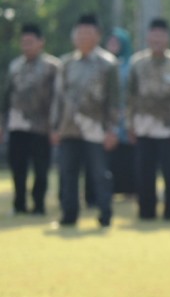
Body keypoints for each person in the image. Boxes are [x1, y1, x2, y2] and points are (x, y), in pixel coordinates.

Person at [50, 13, 120, 228]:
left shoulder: (108, 64)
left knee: (100, 174)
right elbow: (58, 97)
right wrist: (55, 127)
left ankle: (105, 213)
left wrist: (112, 129)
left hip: (96, 129)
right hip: (69, 128)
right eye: (79, 33)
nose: (83, 37)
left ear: (97, 36)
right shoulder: (66, 63)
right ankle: (69, 215)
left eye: (88, 33)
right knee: (68, 173)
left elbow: (114, 100)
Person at [1, 23, 61, 215]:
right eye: (23, 42)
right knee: (18, 167)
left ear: (40, 43)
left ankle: (39, 204)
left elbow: (58, 99)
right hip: (17, 125)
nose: (26, 46)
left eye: (30, 42)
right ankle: (19, 204)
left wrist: (55, 126)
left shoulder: (52, 67)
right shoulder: (15, 66)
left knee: (41, 168)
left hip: (41, 127)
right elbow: (6, 97)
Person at [128, 18, 170, 220]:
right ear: (148, 37)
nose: (157, 39)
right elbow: (131, 97)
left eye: (161, 35)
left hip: (169, 129)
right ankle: (146, 211)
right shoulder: (137, 63)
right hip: (143, 127)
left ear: (167, 38)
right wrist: (130, 124)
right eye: (154, 35)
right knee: (144, 173)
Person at [104, 27, 137, 197]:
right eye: (110, 41)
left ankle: (129, 189)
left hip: (126, 114)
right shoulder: (103, 63)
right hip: (107, 117)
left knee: (127, 152)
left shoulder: (130, 65)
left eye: (116, 42)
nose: (112, 45)